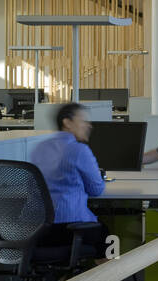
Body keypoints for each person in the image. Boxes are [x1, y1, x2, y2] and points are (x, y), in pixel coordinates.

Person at [28, 102, 108, 251]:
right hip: (69, 228)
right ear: (67, 123)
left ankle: (68, 274)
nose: (88, 125)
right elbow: (96, 190)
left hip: (36, 230)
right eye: (83, 121)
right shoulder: (78, 150)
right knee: (108, 237)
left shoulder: (39, 148)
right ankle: (113, 274)